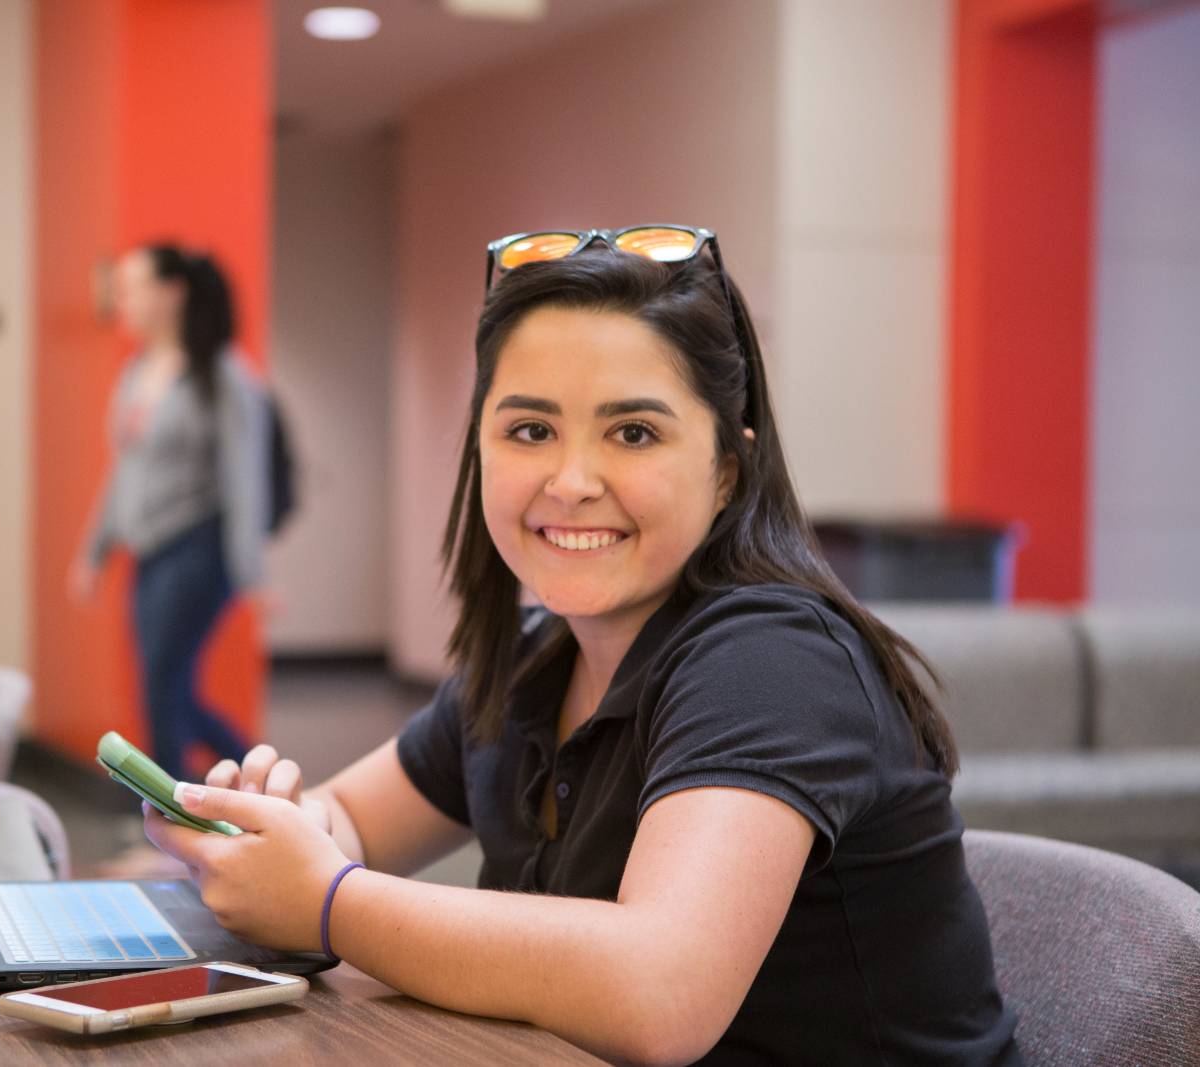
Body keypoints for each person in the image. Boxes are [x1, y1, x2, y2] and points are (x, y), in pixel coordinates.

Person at [141, 227, 1021, 1064]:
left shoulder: (771, 659)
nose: (570, 482)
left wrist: (328, 901)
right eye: (530, 430)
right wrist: (272, 832)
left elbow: (659, 988)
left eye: (633, 432)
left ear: (727, 469)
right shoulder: (534, 656)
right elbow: (357, 820)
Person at [71, 243, 268, 778]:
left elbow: (244, 478)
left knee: (163, 689)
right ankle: (259, 785)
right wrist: (94, 551)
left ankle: (172, 821)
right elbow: (124, 471)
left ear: (171, 293)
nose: (123, 299)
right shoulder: (138, 370)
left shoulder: (222, 374)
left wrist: (253, 572)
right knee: (167, 690)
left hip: (197, 549)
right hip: (150, 553)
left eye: (134, 287)